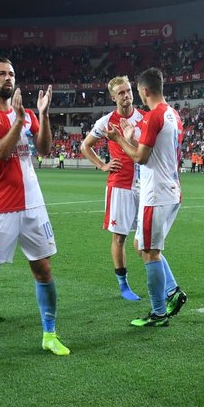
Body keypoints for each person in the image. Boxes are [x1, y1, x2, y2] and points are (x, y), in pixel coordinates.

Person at [0, 58, 69, 356]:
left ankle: (49, 334)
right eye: (1, 74)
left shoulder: (24, 113)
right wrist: (21, 120)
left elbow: (45, 149)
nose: (7, 78)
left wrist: (43, 115)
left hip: (34, 205)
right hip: (2, 207)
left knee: (43, 269)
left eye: (11, 73)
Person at [105, 67, 188, 328]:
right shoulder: (173, 114)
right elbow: (154, 150)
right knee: (141, 244)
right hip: (171, 190)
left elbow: (141, 157)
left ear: (143, 91)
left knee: (150, 252)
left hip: (156, 194)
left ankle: (158, 312)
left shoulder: (154, 116)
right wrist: (131, 137)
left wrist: (119, 137)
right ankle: (173, 291)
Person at [81, 75, 146, 301]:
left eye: (128, 91)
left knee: (148, 237)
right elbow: (85, 146)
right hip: (120, 185)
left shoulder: (145, 118)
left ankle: (157, 280)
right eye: (121, 93)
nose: (127, 95)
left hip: (145, 186)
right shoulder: (106, 122)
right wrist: (102, 165)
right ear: (113, 97)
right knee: (120, 238)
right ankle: (123, 285)